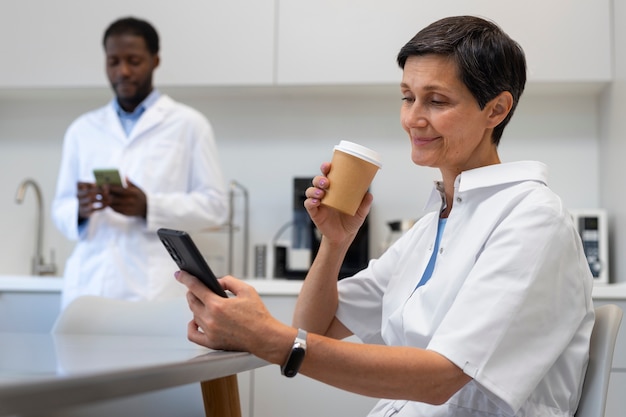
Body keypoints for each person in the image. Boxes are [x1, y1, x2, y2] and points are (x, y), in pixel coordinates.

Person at [174, 15, 594, 417]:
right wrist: (335, 243)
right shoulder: (434, 225)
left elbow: (441, 379)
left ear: (496, 110)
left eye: (437, 100)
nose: (413, 118)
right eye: (408, 97)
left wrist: (268, 338)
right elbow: (314, 329)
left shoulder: (532, 219)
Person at [52, 17, 228, 309]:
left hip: (154, 291)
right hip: (89, 287)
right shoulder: (82, 129)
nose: (123, 71)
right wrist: (80, 210)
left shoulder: (188, 124)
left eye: (134, 61)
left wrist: (149, 206)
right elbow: (60, 208)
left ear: (155, 60)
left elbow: (216, 207)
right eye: (113, 61)